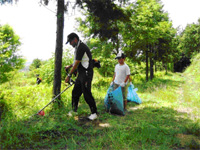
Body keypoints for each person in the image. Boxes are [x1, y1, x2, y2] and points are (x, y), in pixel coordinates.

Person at [65, 32, 98, 120]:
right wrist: (69, 66)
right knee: (75, 92)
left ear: (75, 39)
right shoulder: (77, 47)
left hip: (87, 73)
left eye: (70, 42)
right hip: (81, 73)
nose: (70, 44)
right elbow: (77, 61)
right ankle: (74, 110)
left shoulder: (81, 47)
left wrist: (69, 75)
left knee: (86, 93)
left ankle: (94, 113)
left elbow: (77, 63)